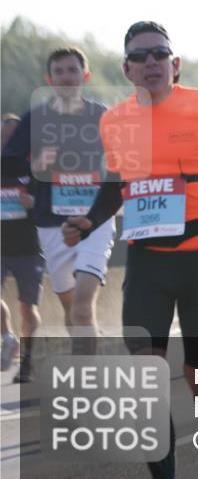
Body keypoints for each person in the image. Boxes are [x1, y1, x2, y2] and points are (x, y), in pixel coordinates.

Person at [61, 21, 198, 479]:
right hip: (148, 262)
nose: (151, 63)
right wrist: (89, 222)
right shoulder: (113, 122)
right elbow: (116, 187)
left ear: (175, 64)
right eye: (141, 57)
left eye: (160, 54)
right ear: (127, 70)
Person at [2, 47, 115, 362]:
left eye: (72, 70)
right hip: (51, 222)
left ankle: (87, 383)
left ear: (84, 75)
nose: (66, 77)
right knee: (71, 309)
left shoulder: (102, 116)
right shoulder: (35, 119)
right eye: (59, 72)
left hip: (94, 220)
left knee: (82, 307)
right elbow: (7, 164)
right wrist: (35, 161)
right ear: (49, 79)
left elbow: (126, 161)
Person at [1, 114, 45, 380]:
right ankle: (7, 337)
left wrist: (35, 202)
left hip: (29, 246)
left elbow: (53, 201)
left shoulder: (36, 167)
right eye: (4, 137)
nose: (8, 142)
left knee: (27, 307)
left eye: (13, 137)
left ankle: (27, 360)